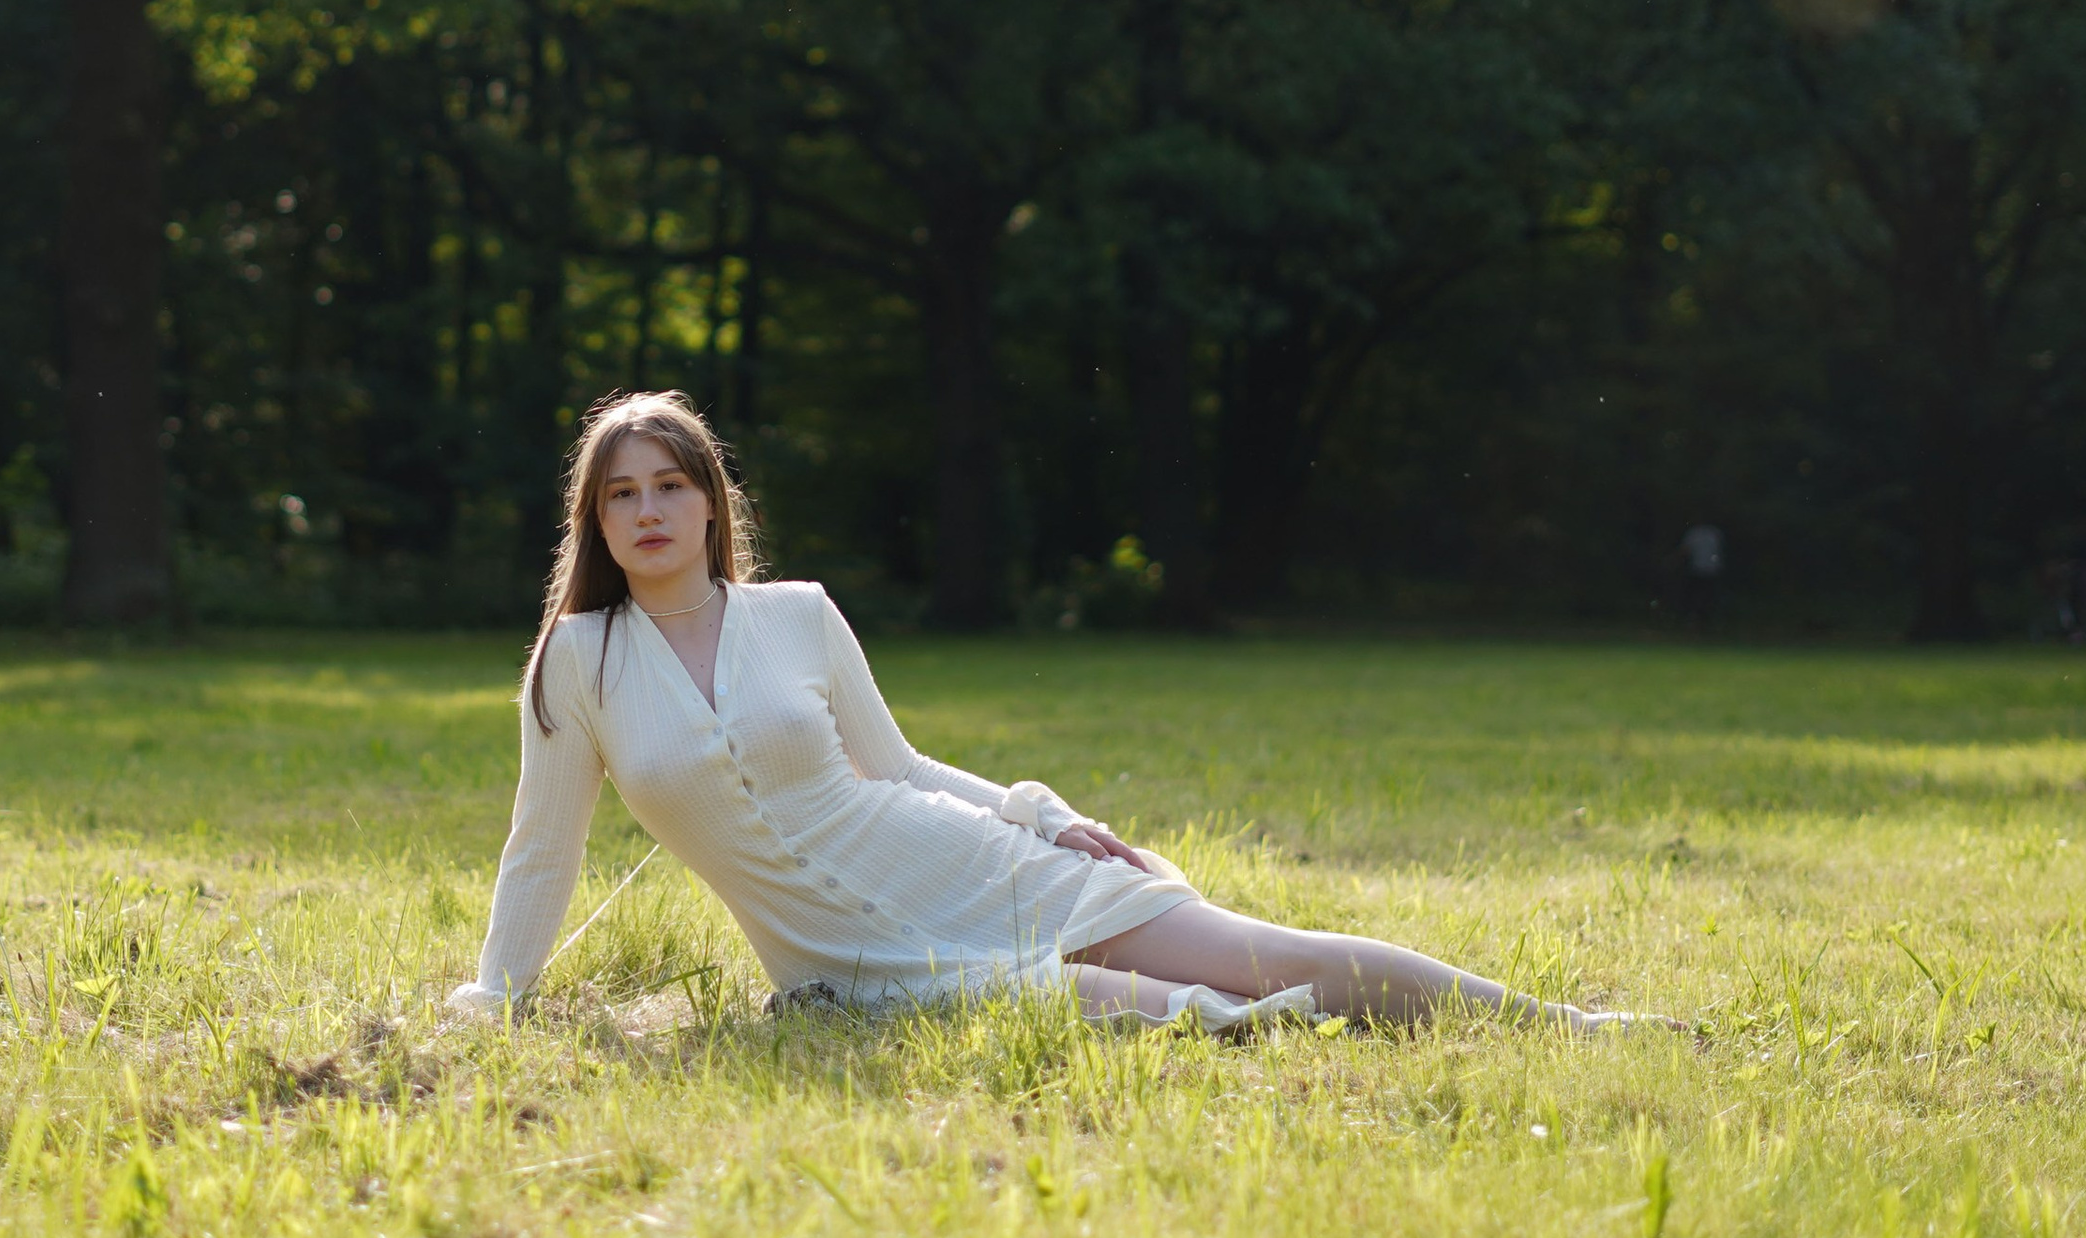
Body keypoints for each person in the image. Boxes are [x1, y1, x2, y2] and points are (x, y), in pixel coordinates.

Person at [449, 390, 1653, 1034]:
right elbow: (539, 852)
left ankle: (1568, 1022)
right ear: (593, 522)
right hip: (855, 967)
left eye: (670, 485)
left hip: (975, 867)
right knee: (1189, 1013)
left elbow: (898, 763)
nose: (648, 510)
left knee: (1254, 953)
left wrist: (1037, 814)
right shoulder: (577, 663)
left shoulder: (799, 614)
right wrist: (498, 1001)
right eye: (621, 494)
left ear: (713, 505)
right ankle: (1285, 1036)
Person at [1678, 522, 1725, 633]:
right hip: (1712, 569)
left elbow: (1685, 550)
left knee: (1696, 596)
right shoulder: (1714, 532)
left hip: (1698, 569)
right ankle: (1705, 622)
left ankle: (1696, 621)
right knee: (1708, 596)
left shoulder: (1694, 532)